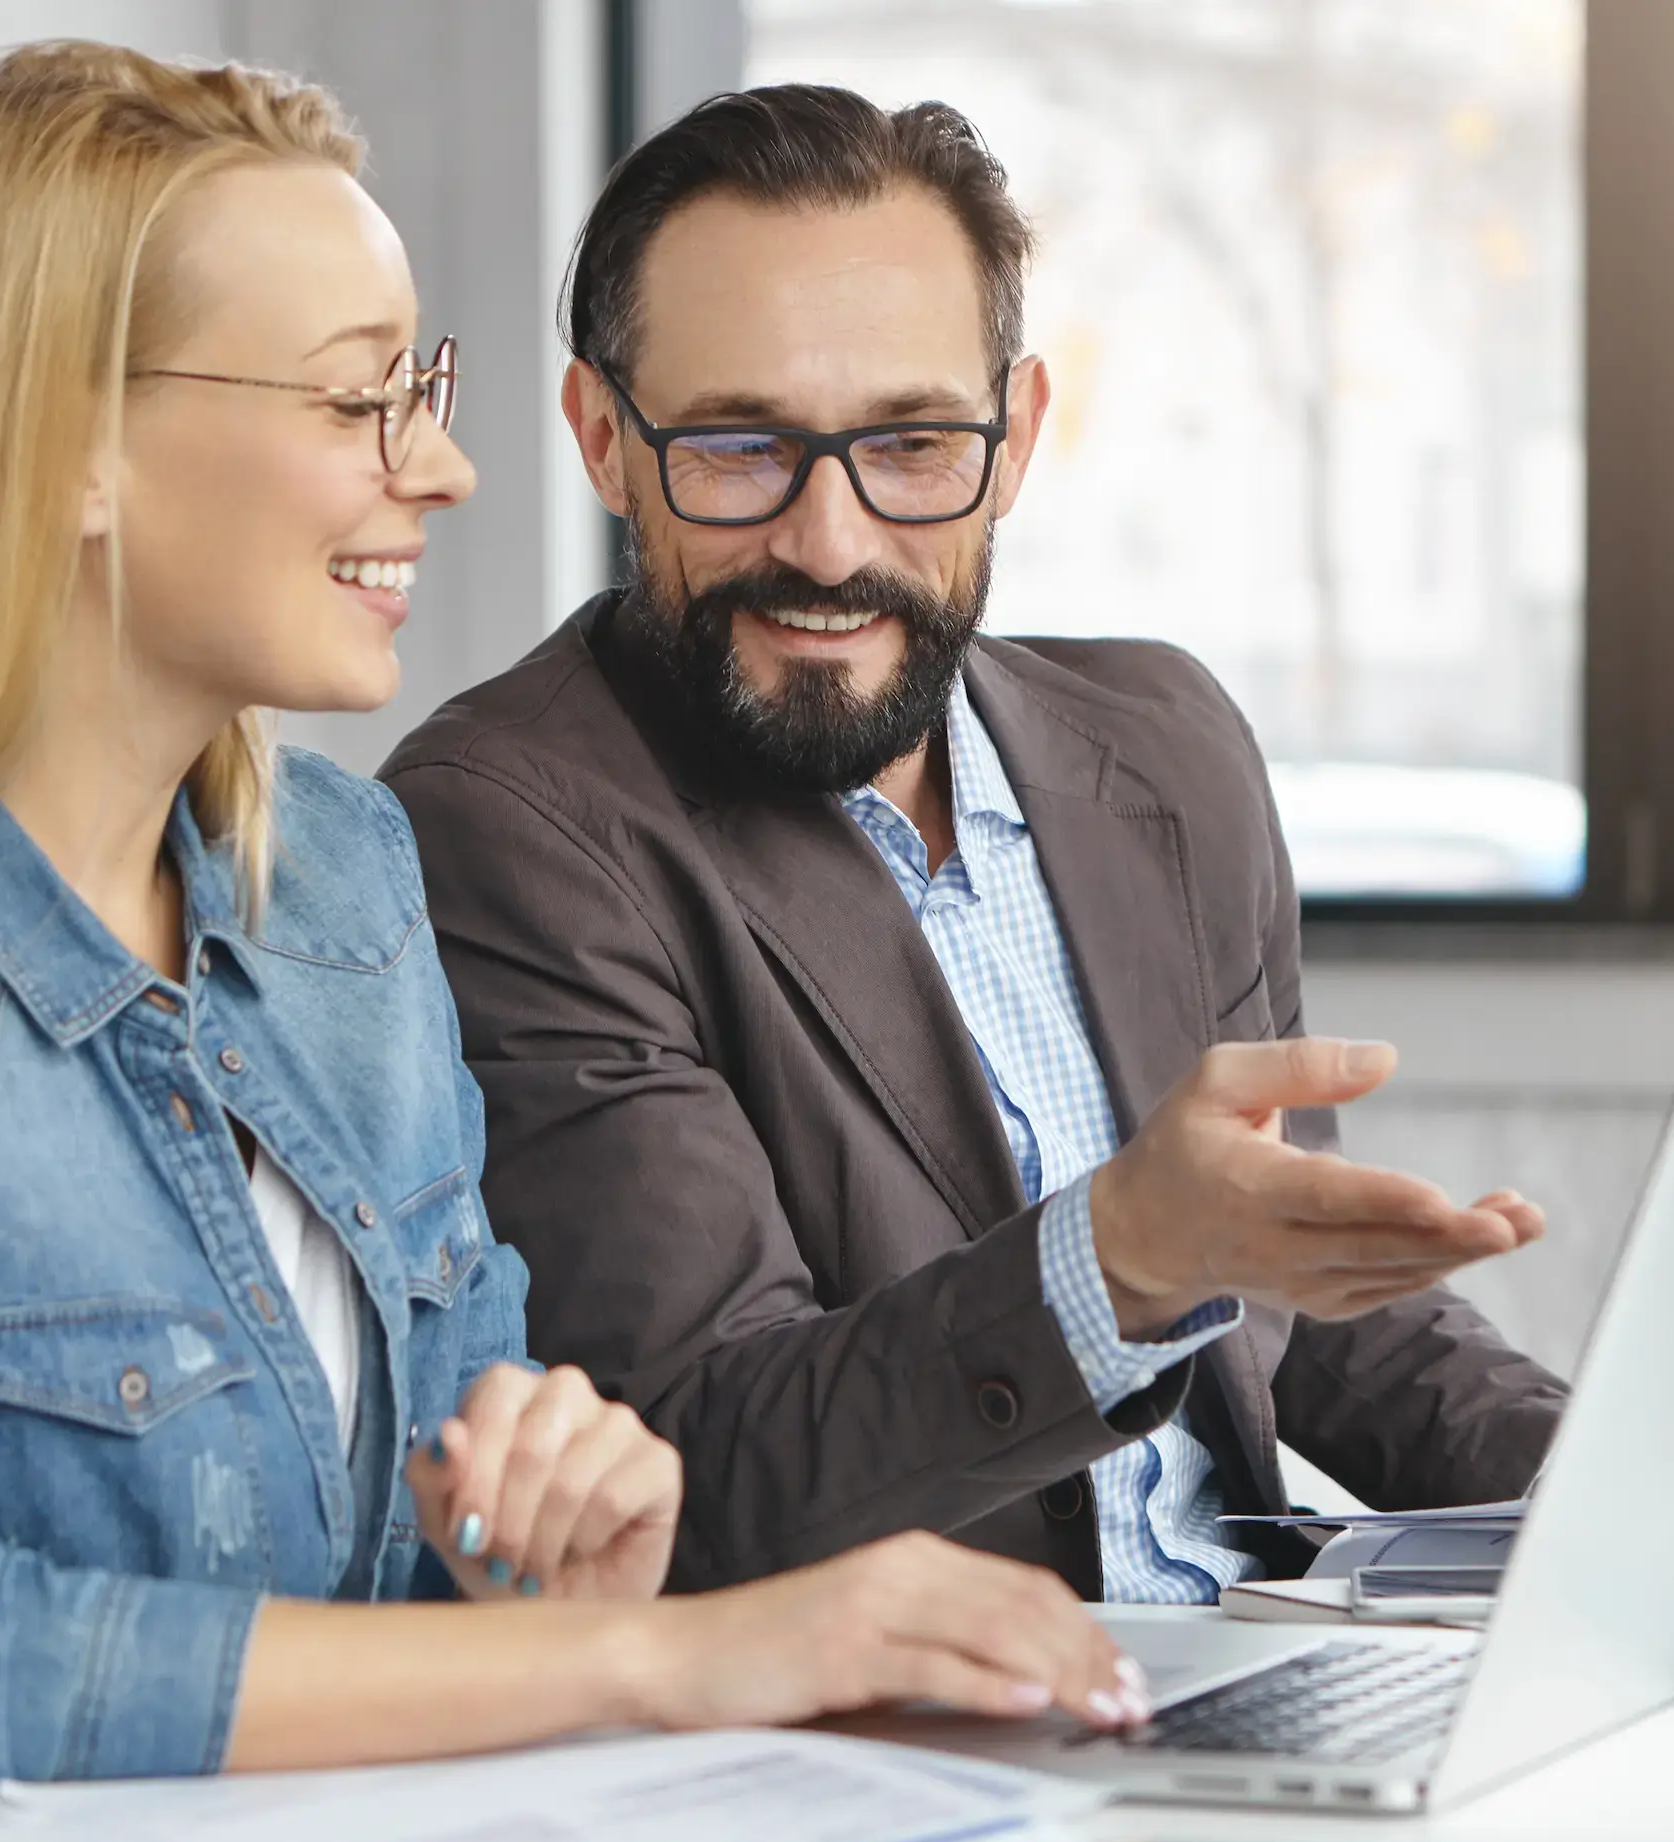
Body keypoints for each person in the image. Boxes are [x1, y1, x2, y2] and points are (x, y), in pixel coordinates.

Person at [0, 46, 1139, 1831]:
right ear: (66, 447)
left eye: (419, 385)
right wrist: (655, 1655)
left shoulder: (346, 887)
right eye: (358, 400)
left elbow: (443, 1578)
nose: (440, 468)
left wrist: (562, 1551)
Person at [381, 84, 1567, 1601]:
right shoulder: (510, 825)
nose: (832, 539)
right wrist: (1118, 1258)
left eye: (914, 443)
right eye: (742, 448)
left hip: (1262, 1659)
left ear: (1012, 443)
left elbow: (1306, 1315)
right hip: (922, 1740)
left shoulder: (1167, 742)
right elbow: (704, 1455)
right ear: (605, 441)